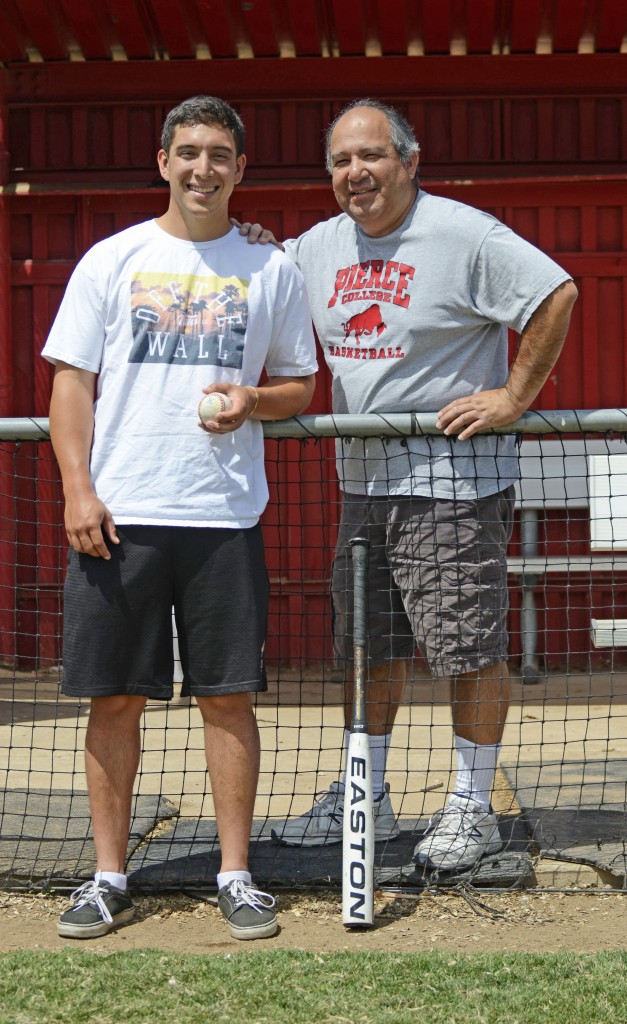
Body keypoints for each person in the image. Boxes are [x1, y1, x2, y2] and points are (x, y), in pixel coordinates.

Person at [238, 98, 577, 872]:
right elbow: (261, 274)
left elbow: (554, 293)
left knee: (464, 648)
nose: (355, 173)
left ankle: (470, 806)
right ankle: (366, 794)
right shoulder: (318, 247)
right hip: (363, 484)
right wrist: (251, 244)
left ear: (408, 161)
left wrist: (514, 397)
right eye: (340, 162)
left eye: (371, 156)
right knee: (367, 647)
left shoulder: (463, 234)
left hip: (452, 480)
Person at [42, 95, 317, 939]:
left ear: (241, 169)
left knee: (227, 699)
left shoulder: (271, 270)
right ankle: (107, 876)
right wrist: (77, 489)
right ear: (163, 161)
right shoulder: (110, 260)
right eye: (188, 152)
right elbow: (70, 384)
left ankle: (236, 876)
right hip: (119, 516)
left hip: (223, 516)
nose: (203, 168)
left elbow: (299, 387)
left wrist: (252, 398)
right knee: (115, 701)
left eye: (220, 155)